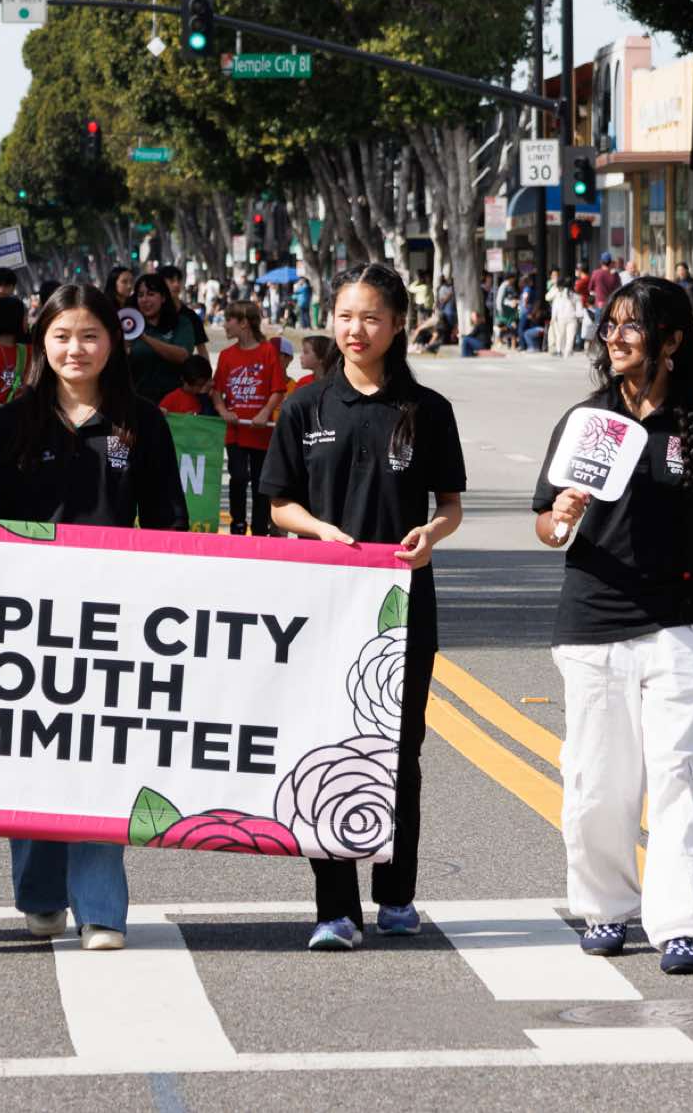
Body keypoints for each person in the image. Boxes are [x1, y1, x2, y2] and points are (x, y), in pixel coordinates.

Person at [532, 277, 693, 975]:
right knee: (597, 783)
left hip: (680, 629)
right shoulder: (585, 421)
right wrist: (559, 517)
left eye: (632, 326)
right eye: (610, 325)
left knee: (680, 774)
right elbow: (546, 526)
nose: (616, 337)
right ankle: (605, 908)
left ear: (672, 339)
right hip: (592, 624)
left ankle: (682, 923)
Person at [0, 285, 188, 953]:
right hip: (24, 623)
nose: (76, 349)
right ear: (42, 343)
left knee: (101, 759)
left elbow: (169, 523)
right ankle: (40, 896)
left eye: (90, 335)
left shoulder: (142, 423)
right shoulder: (11, 424)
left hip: (114, 623)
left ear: (112, 341)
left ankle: (101, 910)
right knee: (32, 757)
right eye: (62, 336)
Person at [263, 262, 466, 951]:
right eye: (346, 316)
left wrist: (431, 535)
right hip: (323, 605)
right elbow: (279, 503)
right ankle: (336, 908)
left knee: (401, 749)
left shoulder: (427, 410)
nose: (357, 330)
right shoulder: (306, 407)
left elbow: (450, 505)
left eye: (372, 317)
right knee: (325, 746)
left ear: (398, 324)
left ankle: (397, 894)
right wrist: (319, 529)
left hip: (403, 604)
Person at [213, 299, 286, 536]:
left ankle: (260, 527)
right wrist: (224, 411)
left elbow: (278, 389)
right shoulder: (226, 355)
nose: (225, 325)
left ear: (244, 323)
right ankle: (237, 524)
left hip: (260, 432)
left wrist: (264, 412)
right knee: (238, 476)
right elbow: (216, 391)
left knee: (260, 481)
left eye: (229, 320)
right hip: (235, 430)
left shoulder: (268, 352)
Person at [124, 273, 193, 404]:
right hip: (140, 402)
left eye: (151, 294)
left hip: (174, 403)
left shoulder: (181, 323)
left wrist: (144, 337)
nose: (145, 300)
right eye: (140, 295)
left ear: (163, 298)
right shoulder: (129, 327)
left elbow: (182, 356)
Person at [159, 264, 211, 355]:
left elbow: (202, 349)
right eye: (171, 281)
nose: (176, 284)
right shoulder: (154, 313)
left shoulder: (190, 316)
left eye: (178, 280)